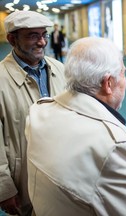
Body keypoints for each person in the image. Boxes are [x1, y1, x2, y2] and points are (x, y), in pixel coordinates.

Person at [25, 37, 126, 216]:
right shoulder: (112, 143)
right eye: (123, 73)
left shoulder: (39, 111)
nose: (125, 81)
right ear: (108, 84)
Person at [0, 10, 66, 216]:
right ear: (12, 39)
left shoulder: (61, 70)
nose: (42, 42)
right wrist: (4, 188)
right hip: (24, 178)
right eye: (32, 36)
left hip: (63, 171)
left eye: (43, 35)